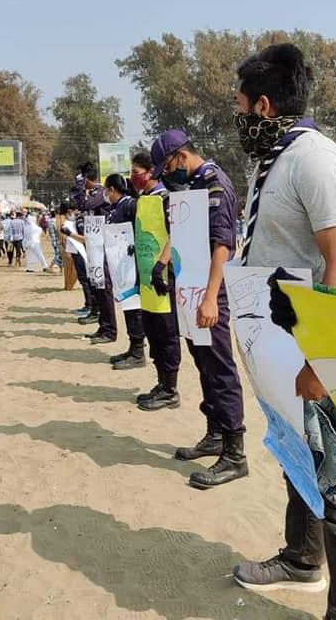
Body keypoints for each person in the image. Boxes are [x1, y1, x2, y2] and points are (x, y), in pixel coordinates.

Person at [228, 43, 336, 619]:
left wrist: (326, 358)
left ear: (263, 107)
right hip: (274, 336)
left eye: (239, 108)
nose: (236, 120)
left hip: (309, 343)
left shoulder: (315, 157)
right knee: (294, 451)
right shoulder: (274, 159)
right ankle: (302, 558)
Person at [149, 130, 248, 488]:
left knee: (220, 368)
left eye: (166, 167)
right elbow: (182, 234)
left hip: (210, 291)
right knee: (203, 365)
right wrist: (162, 265)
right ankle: (215, 433)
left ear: (180, 156)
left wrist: (210, 298)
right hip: (190, 290)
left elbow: (223, 243)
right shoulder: (189, 187)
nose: (165, 175)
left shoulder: (214, 183)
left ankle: (235, 454)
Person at [129, 151, 183, 379]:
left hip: (163, 276)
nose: (132, 178)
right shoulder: (143, 199)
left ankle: (170, 387)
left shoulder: (166, 199)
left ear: (151, 172)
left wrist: (161, 265)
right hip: (146, 277)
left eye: (135, 173)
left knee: (166, 331)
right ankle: (161, 382)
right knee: (151, 329)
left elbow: (178, 234)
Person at [103, 173, 147, 367]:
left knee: (133, 305)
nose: (105, 194)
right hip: (121, 265)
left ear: (112, 189)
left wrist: (135, 245)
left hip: (132, 266)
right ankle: (132, 347)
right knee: (127, 305)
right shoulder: (117, 207)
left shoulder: (130, 204)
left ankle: (138, 352)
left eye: (106, 190)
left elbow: (143, 227)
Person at [71, 163, 116, 341]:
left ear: (88, 179)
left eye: (83, 180)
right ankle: (103, 326)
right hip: (94, 246)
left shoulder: (100, 192)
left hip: (103, 246)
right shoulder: (92, 193)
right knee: (97, 286)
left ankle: (110, 330)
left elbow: (83, 205)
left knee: (104, 289)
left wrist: (79, 187)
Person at [60, 202, 93, 315]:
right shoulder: (74, 221)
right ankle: (88, 305)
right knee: (83, 279)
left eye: (67, 214)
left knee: (85, 280)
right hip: (77, 253)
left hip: (83, 253)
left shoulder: (80, 220)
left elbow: (85, 239)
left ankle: (90, 306)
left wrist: (69, 233)